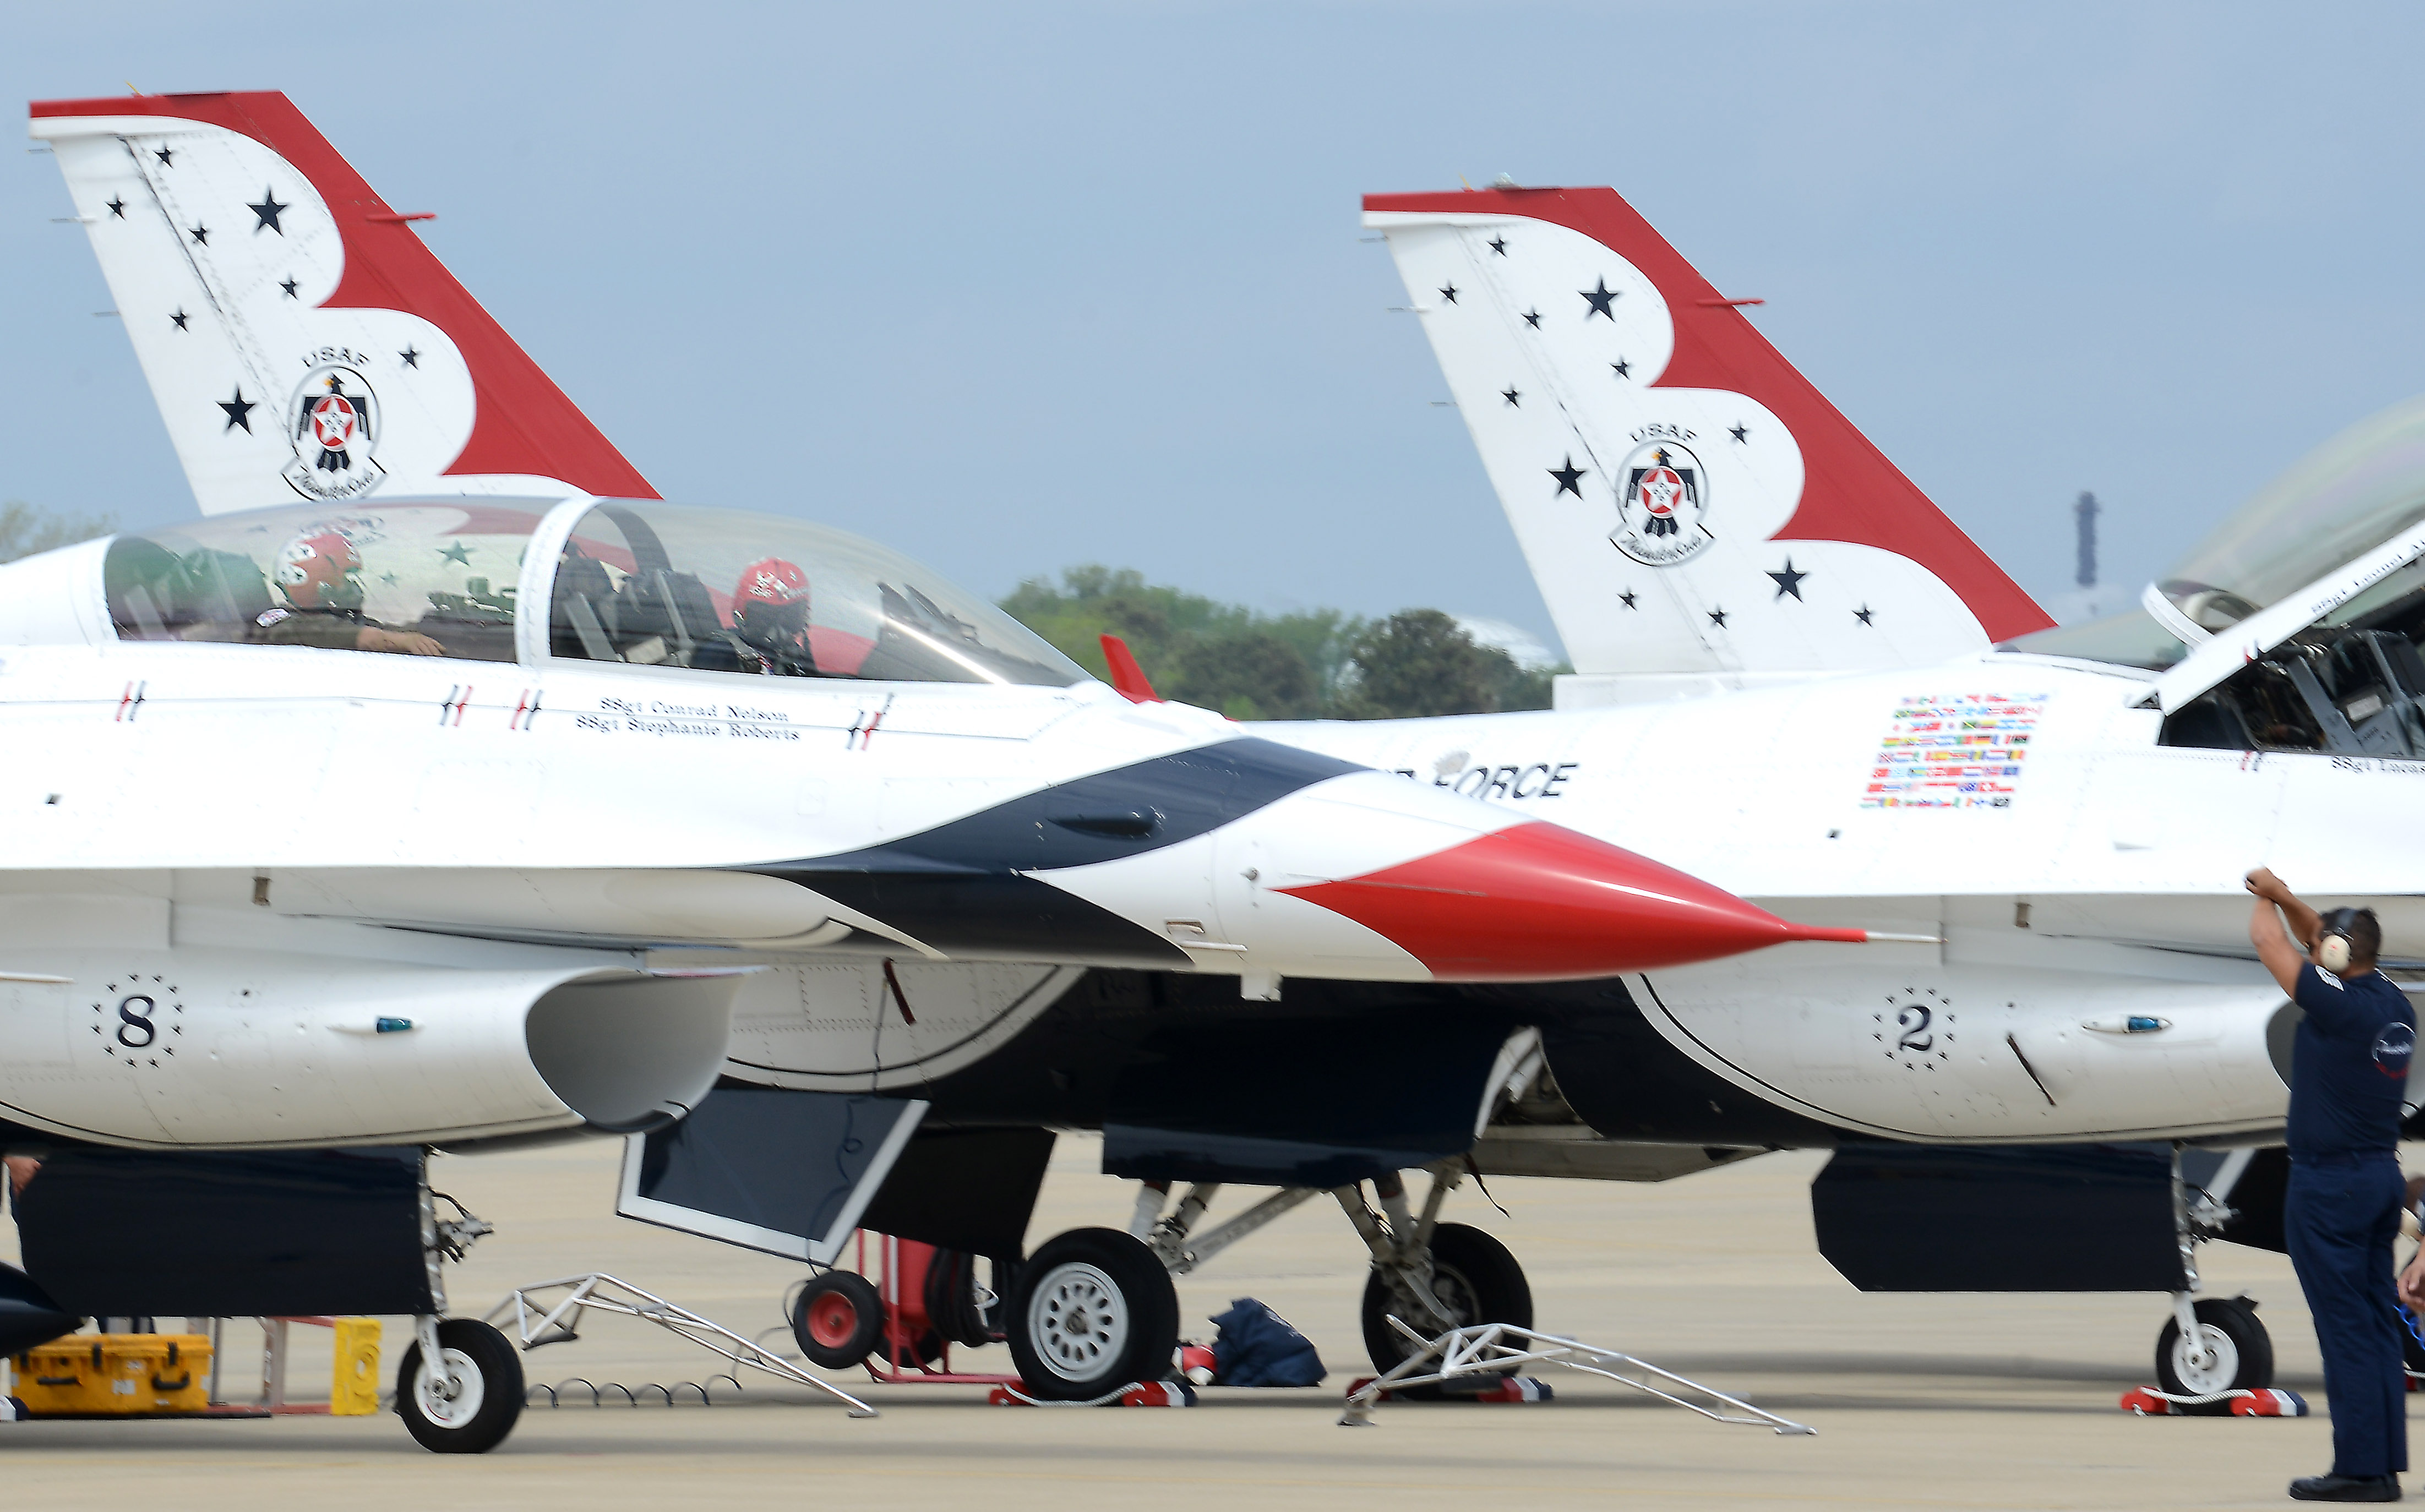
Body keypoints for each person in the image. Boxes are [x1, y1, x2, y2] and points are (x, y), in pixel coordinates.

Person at [2250, 867, 2416, 1502]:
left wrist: (2262, 895)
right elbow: (2309, 936)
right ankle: (2381, 1465)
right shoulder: (2391, 1003)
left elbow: (2268, 941)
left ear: (2337, 952)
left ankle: (2359, 1469)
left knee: (2345, 1327)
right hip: (2377, 1177)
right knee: (2373, 1325)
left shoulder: (2337, 1005)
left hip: (2330, 1186)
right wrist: (2286, 895)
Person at [257, 528, 445, 656]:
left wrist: (430, 626)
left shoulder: (344, 620)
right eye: (344, 577)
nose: (351, 585)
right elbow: (339, 634)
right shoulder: (284, 624)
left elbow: (381, 630)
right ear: (314, 580)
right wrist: (401, 640)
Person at [724, 556, 819, 676]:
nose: (778, 633)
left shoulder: (796, 660)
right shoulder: (720, 655)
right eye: (765, 617)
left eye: (790, 618)